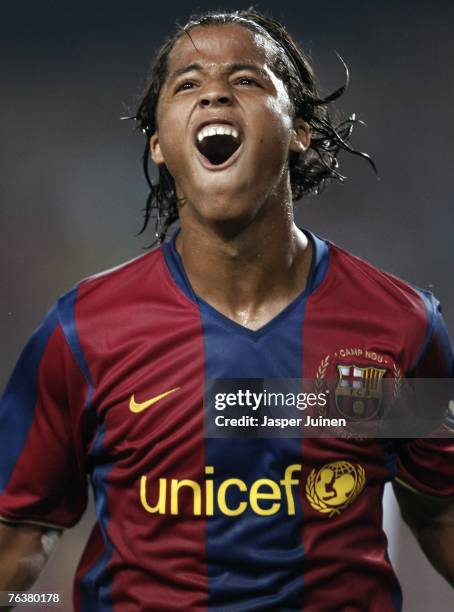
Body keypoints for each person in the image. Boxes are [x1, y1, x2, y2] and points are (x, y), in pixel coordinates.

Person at [0, 9, 453, 611]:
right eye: (187, 83)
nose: (213, 89)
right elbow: (20, 535)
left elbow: (440, 509)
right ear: (159, 143)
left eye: (246, 79)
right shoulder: (83, 331)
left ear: (299, 130)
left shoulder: (398, 327)